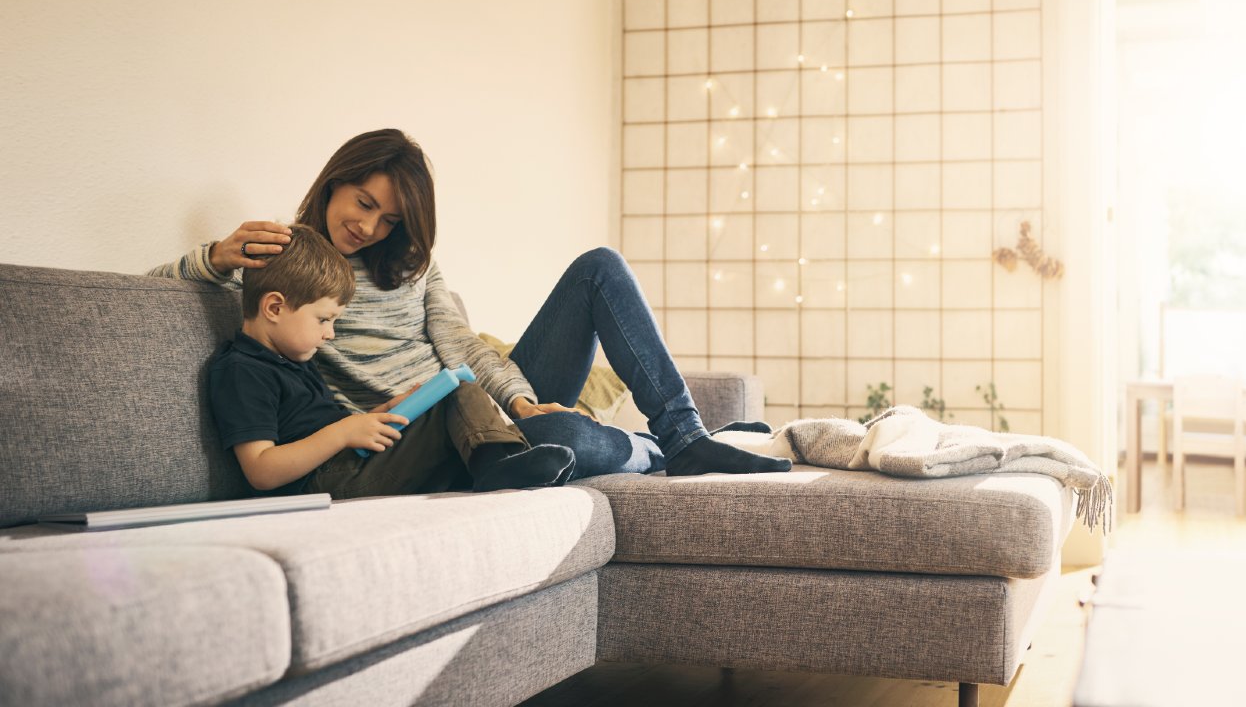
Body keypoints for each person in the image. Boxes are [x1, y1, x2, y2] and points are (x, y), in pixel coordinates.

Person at [153, 128, 790, 481]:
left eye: (391, 219)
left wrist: (515, 399)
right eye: (364, 204)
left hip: (484, 408)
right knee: (563, 436)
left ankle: (683, 434)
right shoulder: (293, 266)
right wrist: (214, 257)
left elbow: (460, 347)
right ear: (333, 182)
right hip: (418, 440)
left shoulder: (413, 266)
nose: (371, 229)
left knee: (599, 267)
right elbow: (157, 291)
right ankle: (654, 449)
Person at [207, 224, 577, 497]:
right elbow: (260, 470)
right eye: (324, 320)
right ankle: (499, 469)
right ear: (274, 307)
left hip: (350, 462)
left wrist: (387, 410)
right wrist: (343, 432)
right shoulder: (242, 370)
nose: (330, 334)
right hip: (324, 485)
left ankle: (499, 464)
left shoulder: (295, 358)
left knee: (456, 390)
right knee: (453, 402)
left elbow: (330, 424)